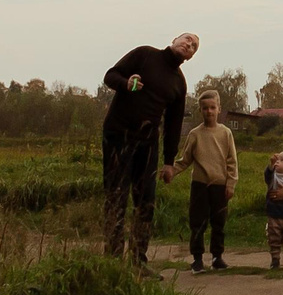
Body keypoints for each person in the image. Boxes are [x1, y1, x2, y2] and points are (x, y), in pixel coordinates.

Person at [100, 32, 197, 266]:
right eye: (186, 39)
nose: (189, 44)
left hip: (148, 143)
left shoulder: (179, 83)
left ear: (191, 57)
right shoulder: (145, 55)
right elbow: (110, 76)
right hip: (119, 136)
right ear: (174, 40)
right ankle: (112, 261)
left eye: (194, 46)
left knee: (146, 202)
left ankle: (138, 262)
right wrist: (126, 83)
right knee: (116, 197)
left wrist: (169, 162)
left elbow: (173, 125)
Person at [165, 87, 238, 271]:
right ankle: (197, 259)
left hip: (220, 185)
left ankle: (217, 257)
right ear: (200, 110)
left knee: (218, 222)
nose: (209, 111)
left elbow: (232, 161)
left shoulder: (226, 133)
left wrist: (231, 184)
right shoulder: (195, 134)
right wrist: (172, 170)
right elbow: (185, 159)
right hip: (200, 185)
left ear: (219, 109)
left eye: (212, 108)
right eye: (205, 108)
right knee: (197, 222)